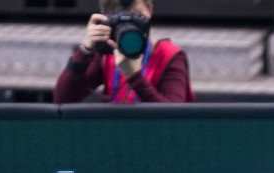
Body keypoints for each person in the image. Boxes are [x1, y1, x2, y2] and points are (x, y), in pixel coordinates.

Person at [53, 0, 195, 104]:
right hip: (117, 138)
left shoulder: (169, 55)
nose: (128, 22)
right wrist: (85, 50)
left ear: (150, 9)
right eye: (117, 14)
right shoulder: (107, 53)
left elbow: (175, 120)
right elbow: (62, 100)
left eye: (136, 14)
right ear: (104, 16)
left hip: (157, 141)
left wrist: (135, 77)